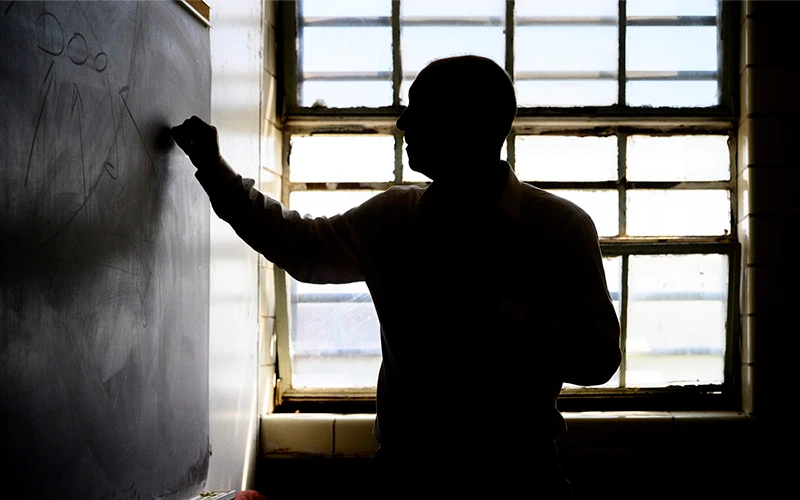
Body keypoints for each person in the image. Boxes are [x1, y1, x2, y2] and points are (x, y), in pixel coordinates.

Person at [172, 55, 621, 496]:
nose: (403, 123)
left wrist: (495, 312)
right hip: (407, 477)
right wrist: (214, 171)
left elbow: (598, 361)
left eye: (419, 107)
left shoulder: (560, 228)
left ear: (469, 122)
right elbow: (301, 247)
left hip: (519, 477)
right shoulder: (394, 217)